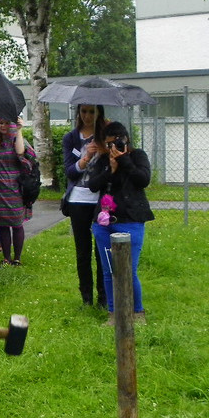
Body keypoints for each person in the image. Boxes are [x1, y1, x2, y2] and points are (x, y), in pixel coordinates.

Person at [87, 121, 155, 323]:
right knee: (109, 270)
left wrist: (124, 161)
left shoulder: (137, 155)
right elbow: (93, 185)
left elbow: (143, 179)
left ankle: (137, 312)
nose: (112, 148)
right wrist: (110, 170)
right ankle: (114, 313)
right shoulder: (103, 160)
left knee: (128, 270)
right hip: (104, 223)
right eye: (108, 144)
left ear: (126, 140)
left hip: (131, 220)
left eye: (116, 143)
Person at [62, 104, 108, 308]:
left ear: (99, 113)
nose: (87, 116)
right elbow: (70, 172)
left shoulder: (106, 135)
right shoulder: (71, 138)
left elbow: (114, 167)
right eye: (84, 111)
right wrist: (86, 157)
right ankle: (86, 298)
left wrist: (105, 148)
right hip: (78, 200)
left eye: (92, 111)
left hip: (101, 201)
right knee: (83, 251)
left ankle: (103, 297)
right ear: (78, 113)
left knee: (102, 251)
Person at [0, 117, 35, 266]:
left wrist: (19, 130)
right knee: (3, 225)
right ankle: (6, 258)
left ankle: (17, 258)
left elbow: (21, 153)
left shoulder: (16, 139)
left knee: (17, 224)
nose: (3, 126)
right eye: (1, 123)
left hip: (16, 189)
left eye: (7, 123)